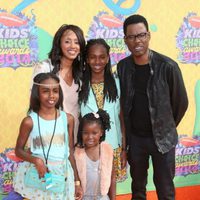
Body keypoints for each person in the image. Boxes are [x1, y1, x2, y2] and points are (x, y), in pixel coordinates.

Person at [117, 14, 188, 200]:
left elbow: (181, 103)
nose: (137, 41)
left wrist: (164, 127)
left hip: (162, 141)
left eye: (141, 35)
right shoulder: (122, 67)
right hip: (136, 140)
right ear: (125, 40)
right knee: (138, 190)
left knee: (165, 191)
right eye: (131, 37)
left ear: (148, 35)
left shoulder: (168, 66)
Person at [13, 73, 82, 199]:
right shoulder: (29, 121)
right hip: (39, 173)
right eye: (45, 91)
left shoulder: (67, 119)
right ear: (37, 94)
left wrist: (77, 182)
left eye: (55, 91)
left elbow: (70, 152)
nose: (51, 96)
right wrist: (36, 160)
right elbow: (18, 151)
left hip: (62, 174)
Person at [79, 38, 127, 182]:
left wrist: (124, 148)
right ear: (87, 59)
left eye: (102, 57)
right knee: (90, 186)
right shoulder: (80, 84)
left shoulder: (117, 83)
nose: (97, 61)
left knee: (110, 186)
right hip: (88, 147)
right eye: (92, 57)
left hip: (113, 146)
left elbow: (121, 117)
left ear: (107, 59)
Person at [32, 24, 85, 143]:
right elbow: (35, 101)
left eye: (77, 42)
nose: (73, 46)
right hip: (49, 135)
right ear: (59, 43)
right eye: (67, 41)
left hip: (74, 136)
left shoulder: (82, 72)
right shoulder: (45, 68)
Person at [74, 109, 116, 200]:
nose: (90, 137)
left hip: (102, 197)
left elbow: (112, 177)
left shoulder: (107, 150)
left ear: (101, 132)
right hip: (83, 197)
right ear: (81, 133)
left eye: (94, 133)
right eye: (86, 133)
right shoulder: (77, 153)